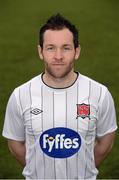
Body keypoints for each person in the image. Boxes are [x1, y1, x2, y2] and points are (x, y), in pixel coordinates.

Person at [2, 13, 117, 179]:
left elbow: (105, 144)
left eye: (66, 47)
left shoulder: (99, 94)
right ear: (40, 52)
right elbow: (15, 145)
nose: (58, 56)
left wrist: (82, 169)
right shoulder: (20, 95)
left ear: (77, 51)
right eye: (50, 48)